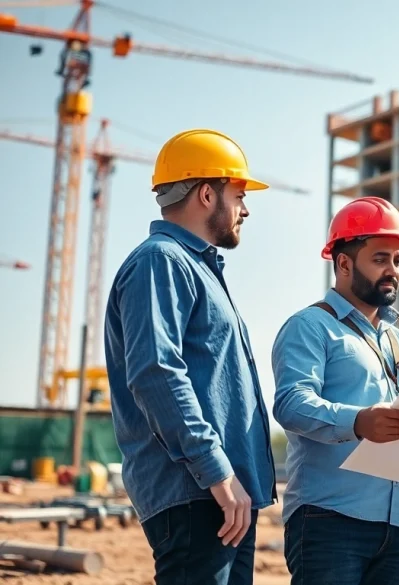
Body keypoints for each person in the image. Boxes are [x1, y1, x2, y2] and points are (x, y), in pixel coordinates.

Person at [104, 128, 277, 585]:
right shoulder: (160, 260)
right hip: (199, 491)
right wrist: (216, 472)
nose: (245, 209)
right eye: (239, 195)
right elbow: (156, 372)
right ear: (206, 194)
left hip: (223, 495)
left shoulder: (195, 267)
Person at [271, 196, 399, 585]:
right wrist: (359, 422)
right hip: (330, 520)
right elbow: (291, 404)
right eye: (380, 258)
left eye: (398, 260)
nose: (393, 270)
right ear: (344, 263)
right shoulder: (310, 326)